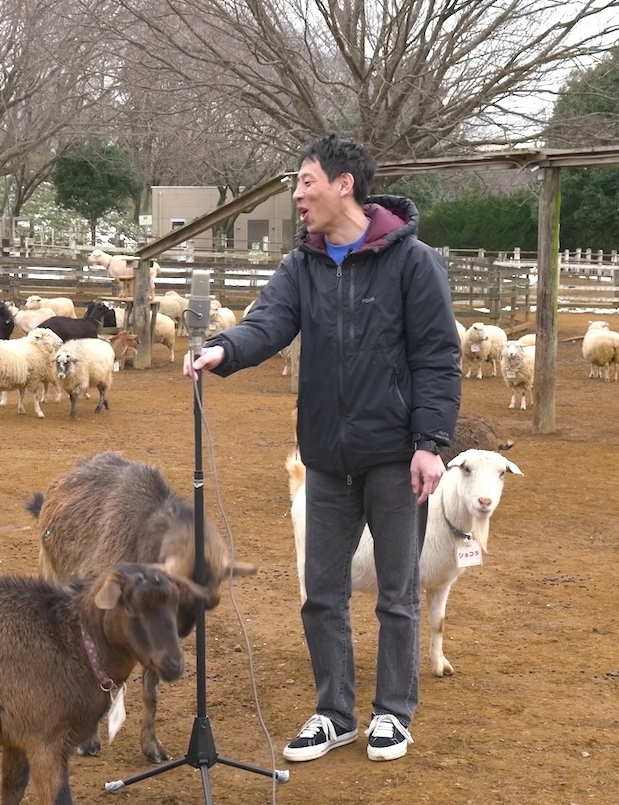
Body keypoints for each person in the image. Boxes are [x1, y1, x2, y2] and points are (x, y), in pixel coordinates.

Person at [185, 134, 460, 763]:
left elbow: (438, 358)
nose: (297, 195)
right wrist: (224, 349)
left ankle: (392, 714)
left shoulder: (412, 263)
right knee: (321, 594)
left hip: (395, 457)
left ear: (344, 185)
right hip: (327, 461)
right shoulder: (301, 265)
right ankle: (334, 714)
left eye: (306, 182)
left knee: (397, 594)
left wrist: (429, 443)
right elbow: (268, 322)